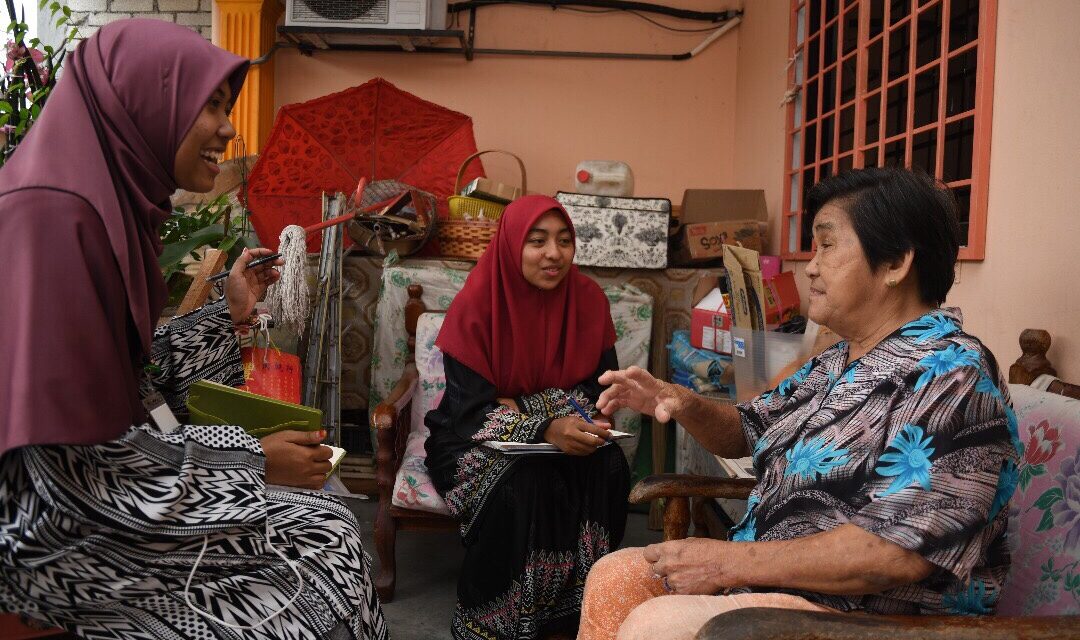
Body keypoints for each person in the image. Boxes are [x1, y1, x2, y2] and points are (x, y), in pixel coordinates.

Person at [0, 20, 387, 639]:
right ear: (144, 102)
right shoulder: (51, 221)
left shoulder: (102, 208)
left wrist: (228, 315)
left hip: (102, 496)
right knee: (319, 558)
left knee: (326, 517)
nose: (230, 129)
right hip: (51, 533)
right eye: (210, 104)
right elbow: (63, 467)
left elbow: (123, 380)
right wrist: (250, 462)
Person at [578, 168, 1020, 640]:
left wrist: (726, 562)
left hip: (873, 620)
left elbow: (895, 553)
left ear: (895, 263)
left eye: (827, 245)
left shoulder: (953, 374)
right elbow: (745, 430)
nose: (810, 266)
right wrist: (679, 400)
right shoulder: (838, 361)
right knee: (615, 577)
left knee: (659, 624)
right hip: (777, 585)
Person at [424, 195, 631, 639]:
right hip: (467, 438)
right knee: (524, 480)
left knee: (609, 464)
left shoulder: (589, 300)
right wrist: (548, 421)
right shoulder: (477, 304)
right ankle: (492, 619)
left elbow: (597, 389)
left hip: (561, 429)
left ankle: (576, 612)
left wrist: (534, 409)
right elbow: (471, 409)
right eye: (537, 241)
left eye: (563, 240)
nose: (553, 254)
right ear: (511, 245)